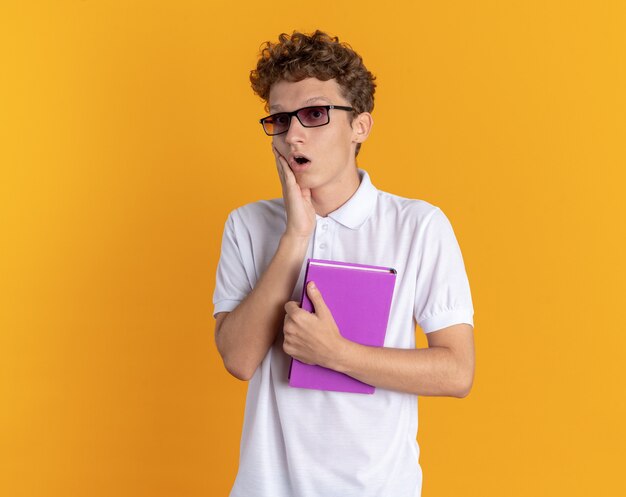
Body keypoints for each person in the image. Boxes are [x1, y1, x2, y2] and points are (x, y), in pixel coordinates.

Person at [213, 30, 475, 497]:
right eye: (280, 118)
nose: (292, 134)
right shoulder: (248, 225)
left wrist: (337, 354)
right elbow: (238, 358)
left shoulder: (418, 226)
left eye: (314, 114)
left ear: (360, 127)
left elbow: (457, 371)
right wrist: (296, 236)